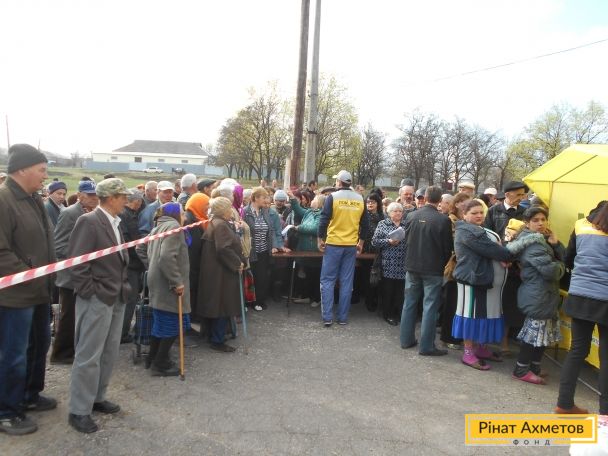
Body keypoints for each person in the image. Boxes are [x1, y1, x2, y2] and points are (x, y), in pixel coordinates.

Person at [67, 178, 132, 433]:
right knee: (88, 354)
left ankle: (97, 397)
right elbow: (77, 262)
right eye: (123, 196)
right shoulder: (89, 221)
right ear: (111, 198)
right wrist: (91, 292)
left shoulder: (115, 222)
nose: (126, 201)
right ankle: (79, 410)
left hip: (116, 296)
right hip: (97, 298)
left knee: (109, 352)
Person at [0, 144, 56, 435]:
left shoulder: (33, 199)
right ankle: (6, 411)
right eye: (41, 170)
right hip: (15, 296)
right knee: (13, 354)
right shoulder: (4, 200)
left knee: (39, 345)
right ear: (22, 170)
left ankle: (29, 395)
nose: (45, 176)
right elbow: (1, 252)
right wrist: (30, 274)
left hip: (38, 291)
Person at [556, 201, 608, 414]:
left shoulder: (581, 225)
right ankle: (605, 414)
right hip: (605, 298)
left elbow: (568, 258)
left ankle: (564, 403)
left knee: (577, 350)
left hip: (579, 294)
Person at [506, 206, 565, 384]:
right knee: (533, 334)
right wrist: (561, 265)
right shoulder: (533, 244)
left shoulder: (541, 240)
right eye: (535, 220)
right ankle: (521, 370)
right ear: (527, 223)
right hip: (537, 293)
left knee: (543, 332)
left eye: (543, 219)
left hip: (543, 293)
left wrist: (556, 245)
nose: (540, 223)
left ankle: (534, 367)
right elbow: (551, 271)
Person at [452, 199, 512, 370]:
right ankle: (468, 353)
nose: (479, 215)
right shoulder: (468, 232)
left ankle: (480, 348)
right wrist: (504, 253)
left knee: (483, 315)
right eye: (474, 213)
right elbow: (496, 251)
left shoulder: (478, 230)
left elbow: (493, 252)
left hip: (482, 280)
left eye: (481, 212)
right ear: (464, 215)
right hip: (471, 280)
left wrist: (500, 254)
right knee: (470, 316)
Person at [400, 186, 453, 356]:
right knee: (430, 306)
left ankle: (406, 340)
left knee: (409, 303)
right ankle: (426, 346)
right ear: (440, 200)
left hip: (412, 265)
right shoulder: (443, 220)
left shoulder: (411, 215)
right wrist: (442, 263)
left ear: (425, 197)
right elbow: (447, 248)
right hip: (433, 268)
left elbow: (406, 240)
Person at [51, 180, 99, 364]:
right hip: (70, 275)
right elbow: (59, 246)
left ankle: (76, 349)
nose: (94, 198)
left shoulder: (93, 213)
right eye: (90, 195)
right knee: (69, 316)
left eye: (96, 195)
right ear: (79, 196)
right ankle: (61, 354)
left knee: (82, 315)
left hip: (86, 273)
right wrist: (82, 256)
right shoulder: (69, 213)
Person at [139, 202, 191, 374]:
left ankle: (152, 357)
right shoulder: (174, 227)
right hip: (168, 283)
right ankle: (160, 363)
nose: (184, 217)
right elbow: (166, 257)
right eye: (182, 213)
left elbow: (140, 247)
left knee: (161, 321)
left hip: (158, 280)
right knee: (173, 322)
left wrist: (151, 265)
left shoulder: (158, 227)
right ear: (175, 214)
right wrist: (176, 281)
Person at [317, 170, 369, 326]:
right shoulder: (360, 199)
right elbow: (365, 225)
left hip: (333, 244)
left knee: (327, 280)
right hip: (351, 245)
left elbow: (323, 220)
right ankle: (342, 318)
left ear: (339, 182)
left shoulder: (332, 197)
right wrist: (361, 243)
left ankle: (327, 317)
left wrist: (320, 239)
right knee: (347, 282)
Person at [484, 180, 529, 356]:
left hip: (516, 266)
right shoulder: (493, 211)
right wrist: (499, 255)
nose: (521, 197)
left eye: (523, 194)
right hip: (497, 263)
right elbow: (487, 236)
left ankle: (504, 342)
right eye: (518, 194)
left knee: (509, 305)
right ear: (508, 194)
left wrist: (516, 259)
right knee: (494, 302)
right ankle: (488, 339)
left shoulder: (525, 212)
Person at [198, 197, 245, 352]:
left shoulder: (216, 222)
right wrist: (237, 263)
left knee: (217, 304)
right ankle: (217, 339)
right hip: (220, 272)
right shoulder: (221, 225)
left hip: (215, 270)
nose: (231, 210)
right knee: (222, 304)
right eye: (229, 207)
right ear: (223, 210)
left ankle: (214, 336)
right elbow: (223, 248)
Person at [440, 192, 472, 350]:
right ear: (457, 204)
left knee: (459, 303)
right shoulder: (450, 220)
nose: (468, 205)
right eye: (465, 202)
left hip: (463, 267)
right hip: (454, 267)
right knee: (451, 302)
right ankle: (448, 337)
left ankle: (456, 335)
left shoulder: (463, 220)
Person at [243, 187, 280, 311]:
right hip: (250, 251)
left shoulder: (265, 211)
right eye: (264, 197)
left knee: (262, 277)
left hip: (263, 251)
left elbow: (271, 230)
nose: (266, 200)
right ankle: (247, 302)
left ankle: (259, 301)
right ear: (256, 198)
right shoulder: (245, 212)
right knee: (249, 277)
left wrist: (274, 245)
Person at [287, 191, 326, 307]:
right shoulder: (309, 211)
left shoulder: (322, 214)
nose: (312, 200)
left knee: (315, 275)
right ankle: (306, 296)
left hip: (315, 251)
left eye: (314, 199)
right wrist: (292, 198)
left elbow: (315, 229)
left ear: (320, 203)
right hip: (305, 250)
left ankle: (317, 298)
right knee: (307, 274)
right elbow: (298, 210)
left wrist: (298, 228)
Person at [372, 202, 407, 326]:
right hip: (388, 263)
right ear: (389, 213)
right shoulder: (383, 224)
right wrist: (388, 241)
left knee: (400, 291)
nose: (398, 213)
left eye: (400, 211)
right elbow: (374, 241)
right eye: (395, 211)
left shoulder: (406, 224)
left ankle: (400, 313)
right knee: (388, 291)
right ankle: (388, 314)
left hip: (403, 263)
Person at [119, 189, 145, 344]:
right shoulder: (125, 215)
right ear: (136, 201)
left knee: (131, 299)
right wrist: (141, 255)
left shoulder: (129, 214)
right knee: (130, 299)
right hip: (130, 264)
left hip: (133, 263)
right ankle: (122, 333)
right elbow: (128, 241)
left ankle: (123, 331)